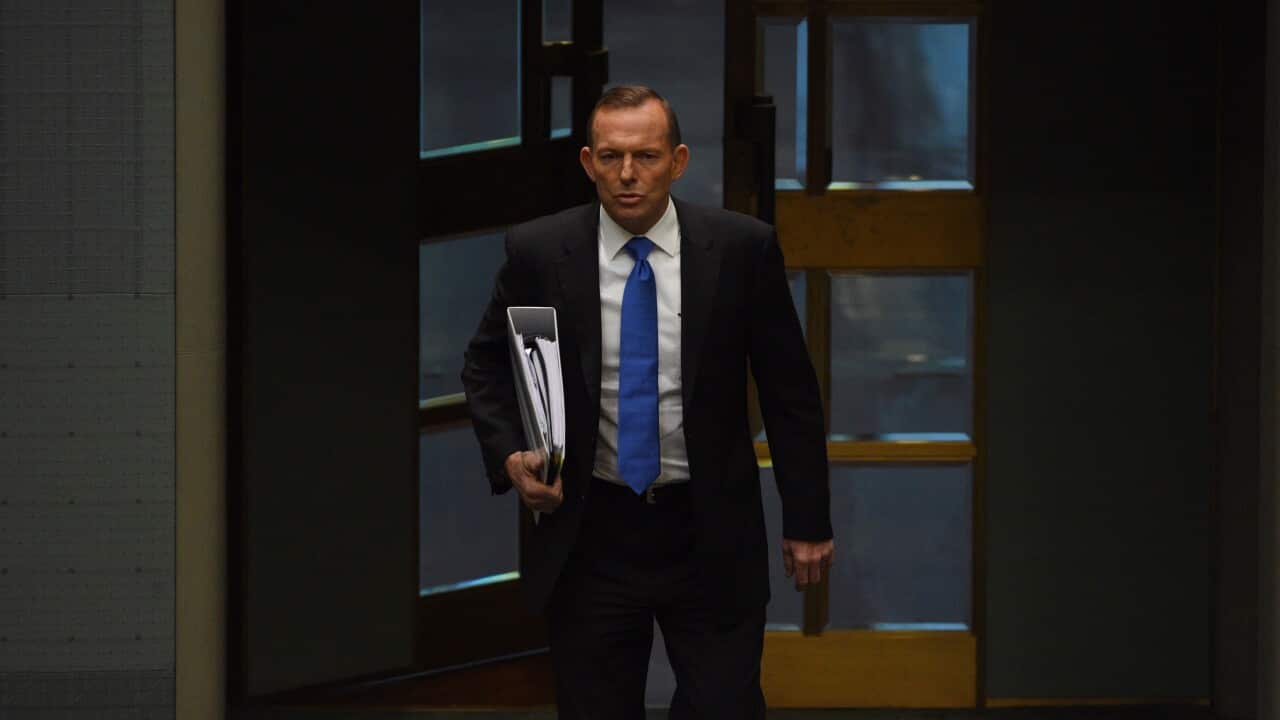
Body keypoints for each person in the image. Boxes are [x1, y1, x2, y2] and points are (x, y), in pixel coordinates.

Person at [461, 85, 833, 719]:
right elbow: (487, 363)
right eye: (610, 157)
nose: (627, 174)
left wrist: (807, 520)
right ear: (587, 162)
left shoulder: (740, 249)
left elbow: (789, 391)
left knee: (725, 708)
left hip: (709, 528)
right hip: (591, 532)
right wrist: (510, 457)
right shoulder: (540, 251)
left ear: (679, 160)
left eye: (647, 156)